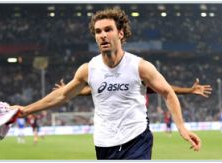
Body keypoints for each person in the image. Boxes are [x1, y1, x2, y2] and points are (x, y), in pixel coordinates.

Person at [11, 7, 201, 159]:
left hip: (137, 139)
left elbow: (167, 92)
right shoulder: (88, 69)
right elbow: (62, 95)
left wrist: (182, 127)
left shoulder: (140, 66)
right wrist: (25, 110)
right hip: (104, 144)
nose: (102, 35)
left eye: (108, 30)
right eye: (98, 31)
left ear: (120, 33)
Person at [54, 78, 212, 97]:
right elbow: (87, 92)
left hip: (138, 134)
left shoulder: (138, 81)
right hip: (110, 136)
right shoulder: (107, 81)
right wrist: (66, 90)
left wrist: (190, 90)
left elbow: (167, 89)